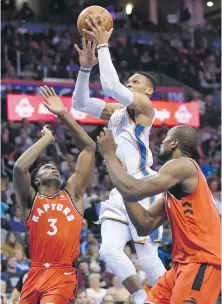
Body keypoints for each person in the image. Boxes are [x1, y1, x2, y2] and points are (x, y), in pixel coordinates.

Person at [72, 18, 166, 304]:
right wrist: (85, 68)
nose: (130, 83)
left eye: (135, 82)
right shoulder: (116, 113)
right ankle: (140, 298)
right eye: (130, 81)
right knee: (108, 251)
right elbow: (79, 104)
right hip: (119, 190)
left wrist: (103, 45)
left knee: (148, 259)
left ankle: (180, 296)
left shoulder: (145, 107)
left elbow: (111, 85)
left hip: (143, 184)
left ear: (148, 90)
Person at [97, 125, 221, 303]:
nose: (161, 142)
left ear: (174, 143)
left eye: (166, 138)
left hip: (202, 262)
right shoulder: (175, 189)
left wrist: (109, 156)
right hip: (181, 265)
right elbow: (144, 224)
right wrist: (121, 176)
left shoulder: (182, 165)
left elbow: (134, 190)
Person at [13, 86, 96, 304]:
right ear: (36, 181)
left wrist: (62, 114)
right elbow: (19, 168)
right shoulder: (30, 201)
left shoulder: (73, 194)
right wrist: (46, 139)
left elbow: (88, 148)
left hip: (63, 274)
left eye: (55, 167)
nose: (54, 168)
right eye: (47, 167)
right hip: (35, 273)